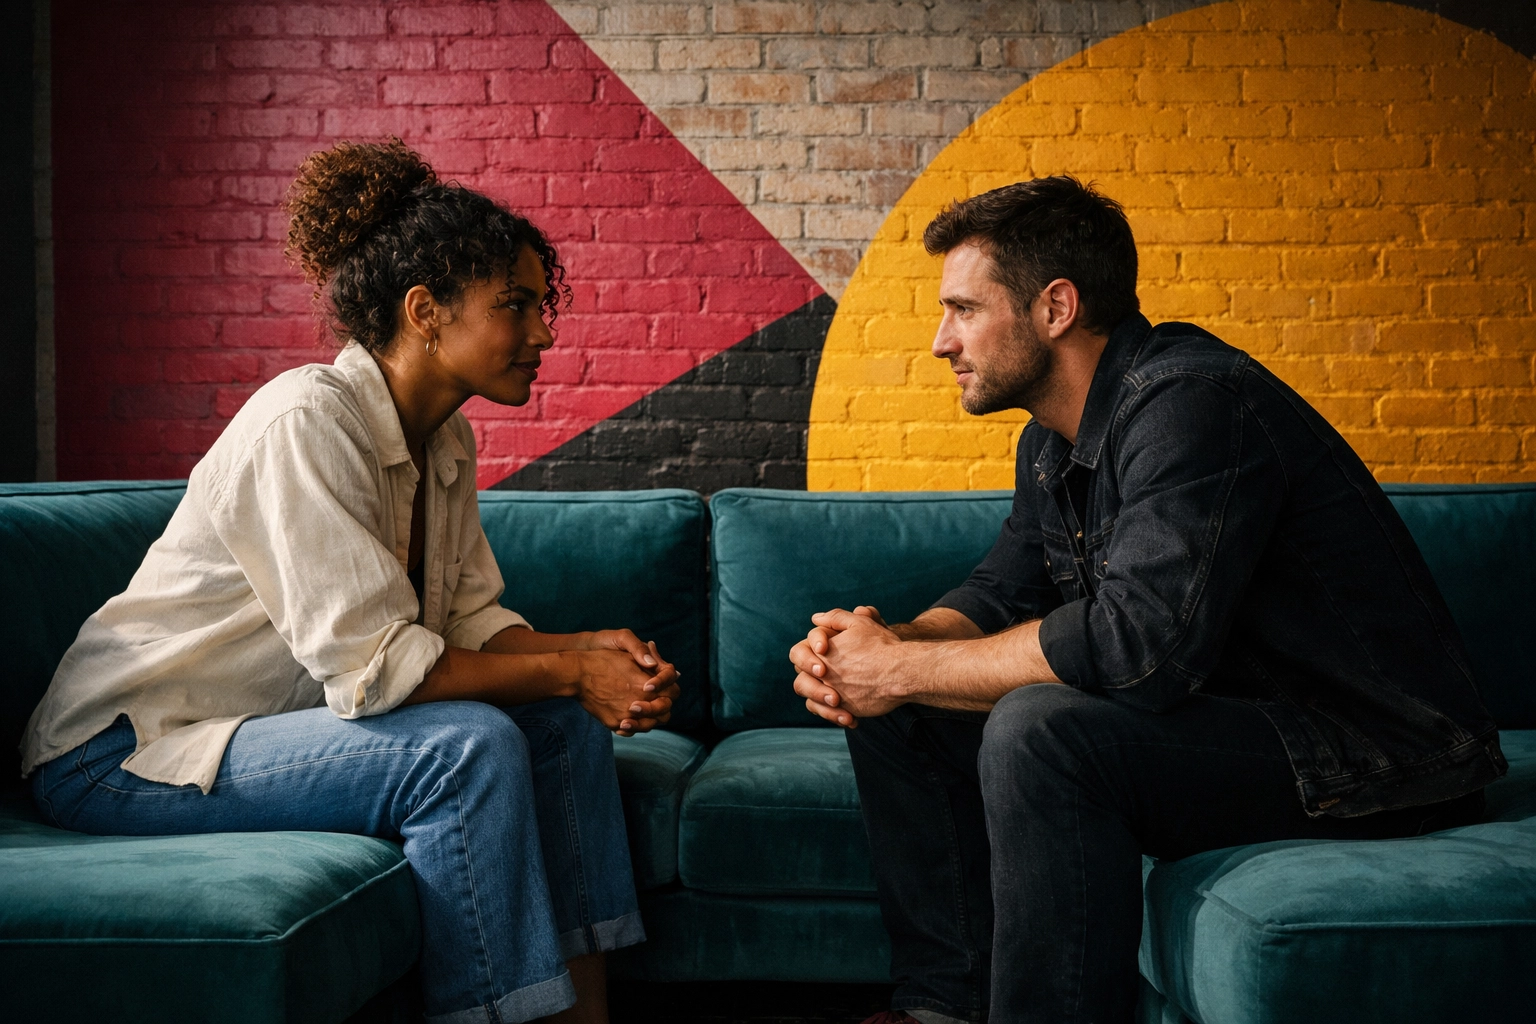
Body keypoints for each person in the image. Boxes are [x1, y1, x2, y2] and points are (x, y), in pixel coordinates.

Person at [787, 176, 1506, 1024]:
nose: (942, 342)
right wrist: (878, 648)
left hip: (1374, 752)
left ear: (1055, 307)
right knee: (903, 708)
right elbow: (993, 593)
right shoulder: (1053, 443)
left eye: (963, 310)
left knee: (1041, 729)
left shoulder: (1193, 402)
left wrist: (904, 666)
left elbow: (1138, 648)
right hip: (1239, 726)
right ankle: (947, 1007)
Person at [21, 140, 676, 1024]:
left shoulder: (443, 441)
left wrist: (589, 657)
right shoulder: (304, 422)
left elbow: (472, 622)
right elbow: (380, 671)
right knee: (466, 747)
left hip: (250, 731)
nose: (544, 332)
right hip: (122, 753)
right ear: (425, 311)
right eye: (514, 306)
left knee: (564, 729)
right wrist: (571, 666)